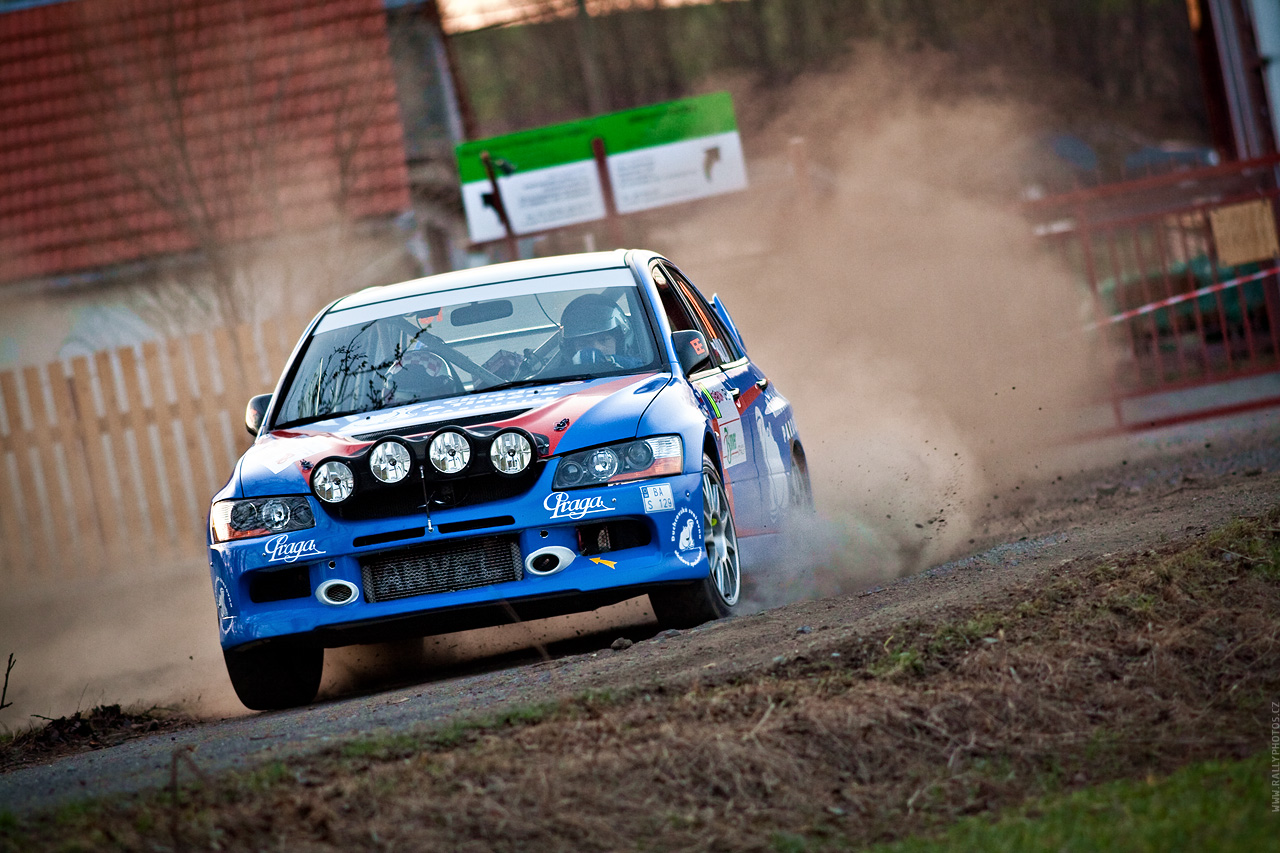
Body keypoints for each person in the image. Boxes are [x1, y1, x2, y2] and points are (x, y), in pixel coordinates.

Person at [559, 293, 643, 369]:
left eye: (603, 340)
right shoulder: (559, 377)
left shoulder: (641, 370)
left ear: (620, 342)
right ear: (571, 350)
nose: (597, 347)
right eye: (583, 344)